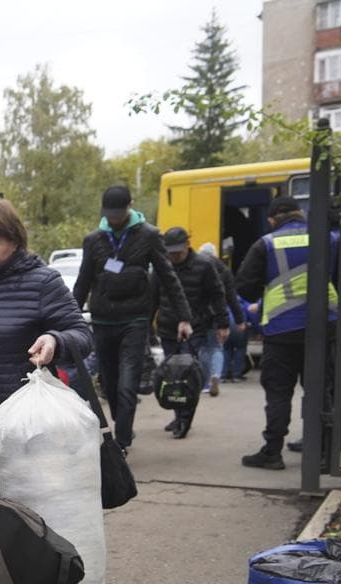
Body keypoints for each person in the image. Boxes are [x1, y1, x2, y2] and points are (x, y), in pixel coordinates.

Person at [0, 198, 93, 492]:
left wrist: (55, 340)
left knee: (23, 519)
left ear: (15, 241)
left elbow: (82, 335)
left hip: (23, 432)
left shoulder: (43, 282)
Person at [73, 185, 192, 451]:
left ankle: (122, 442)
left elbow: (168, 277)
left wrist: (184, 316)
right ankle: (121, 420)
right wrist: (68, 316)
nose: (114, 218)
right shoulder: (94, 240)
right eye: (110, 214)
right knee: (109, 383)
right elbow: (83, 282)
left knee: (128, 383)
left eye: (119, 212)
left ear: (130, 206)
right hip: (103, 320)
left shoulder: (149, 235)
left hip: (135, 319)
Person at [235, 196, 337, 470]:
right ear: (299, 214)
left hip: (282, 329)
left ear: (272, 220)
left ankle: (272, 452)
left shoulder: (266, 244)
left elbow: (243, 286)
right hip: (323, 326)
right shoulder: (328, 238)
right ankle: (324, 454)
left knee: (279, 393)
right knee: (319, 390)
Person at [153, 228, 228, 438]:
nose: (174, 256)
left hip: (195, 328)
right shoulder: (162, 265)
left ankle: (185, 419)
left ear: (187, 245)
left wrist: (223, 323)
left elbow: (218, 294)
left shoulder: (204, 265)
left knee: (187, 374)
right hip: (168, 327)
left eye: (178, 251)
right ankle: (179, 414)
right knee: (171, 375)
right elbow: (152, 296)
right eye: (170, 252)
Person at [198, 242, 247, 394]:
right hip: (219, 313)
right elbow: (232, 297)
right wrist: (239, 320)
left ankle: (205, 383)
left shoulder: (197, 267)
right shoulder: (224, 270)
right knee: (217, 347)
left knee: (203, 349)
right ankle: (216, 376)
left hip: (200, 314)